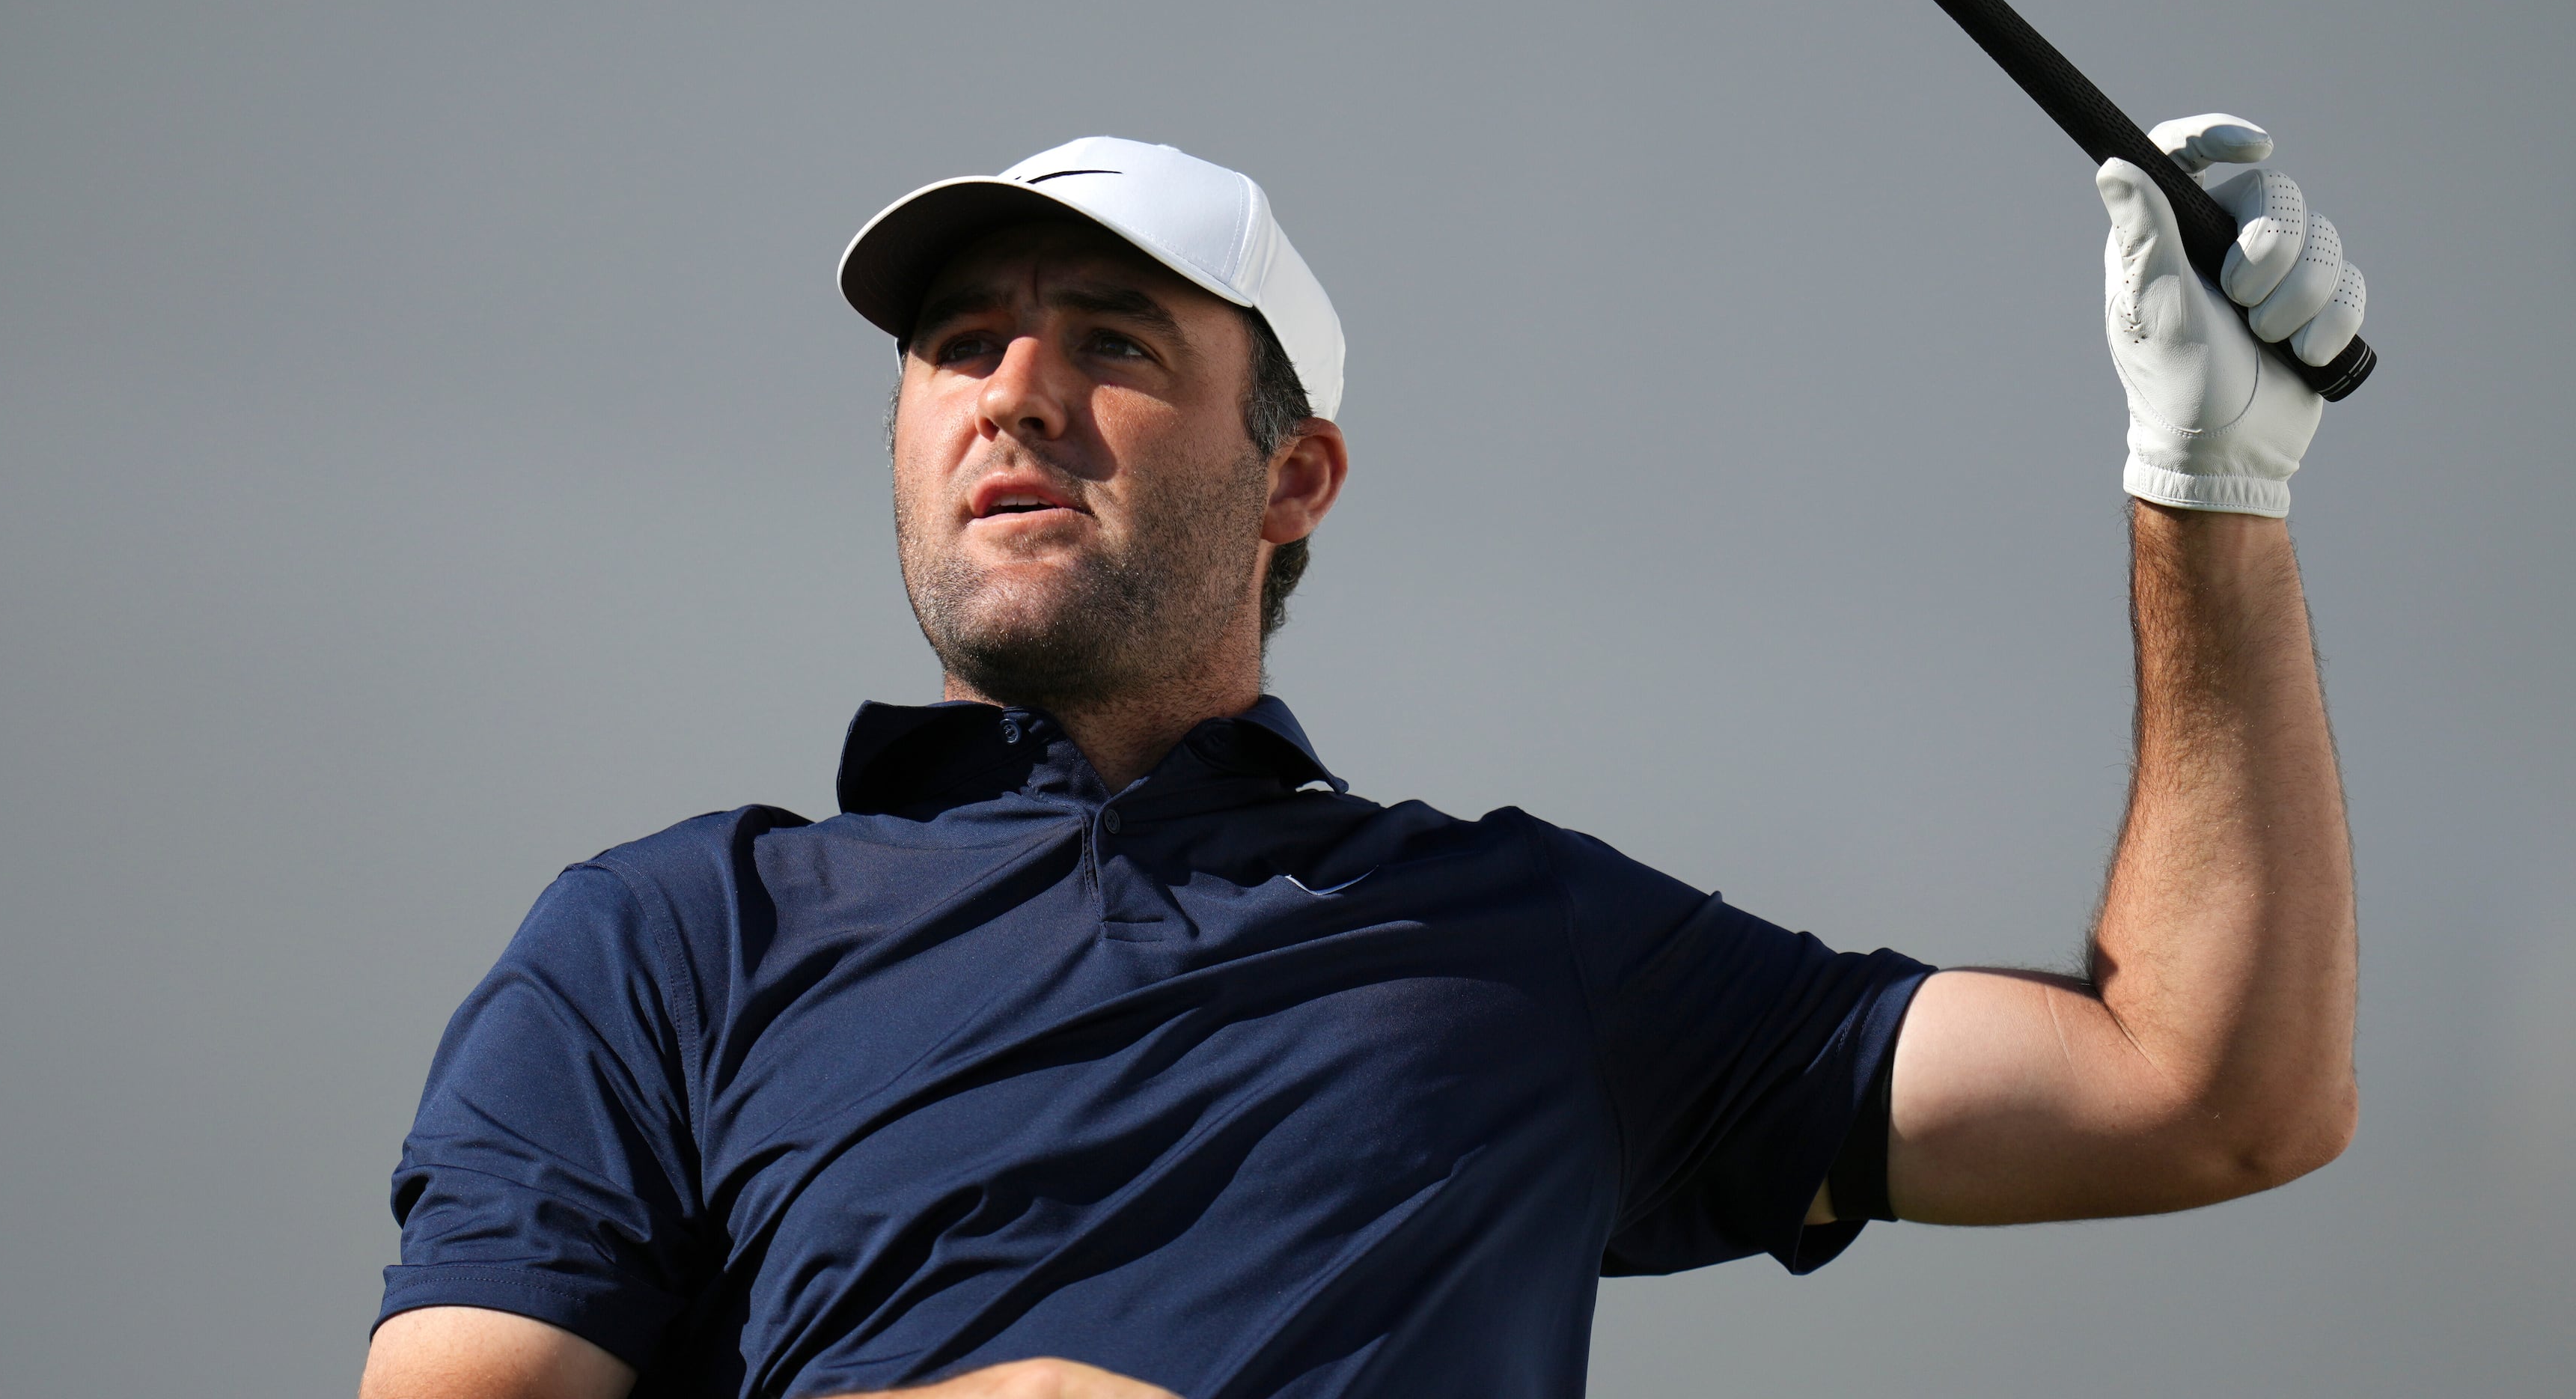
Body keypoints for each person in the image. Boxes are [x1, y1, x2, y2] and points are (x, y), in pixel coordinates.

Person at [359, 124, 2366, 1399]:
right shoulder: (668, 940)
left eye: (1116, 346)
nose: (1013, 394)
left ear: (1293, 477)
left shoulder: (1521, 944)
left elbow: (2211, 1090)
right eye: (958, 346)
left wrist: (2211, 486)